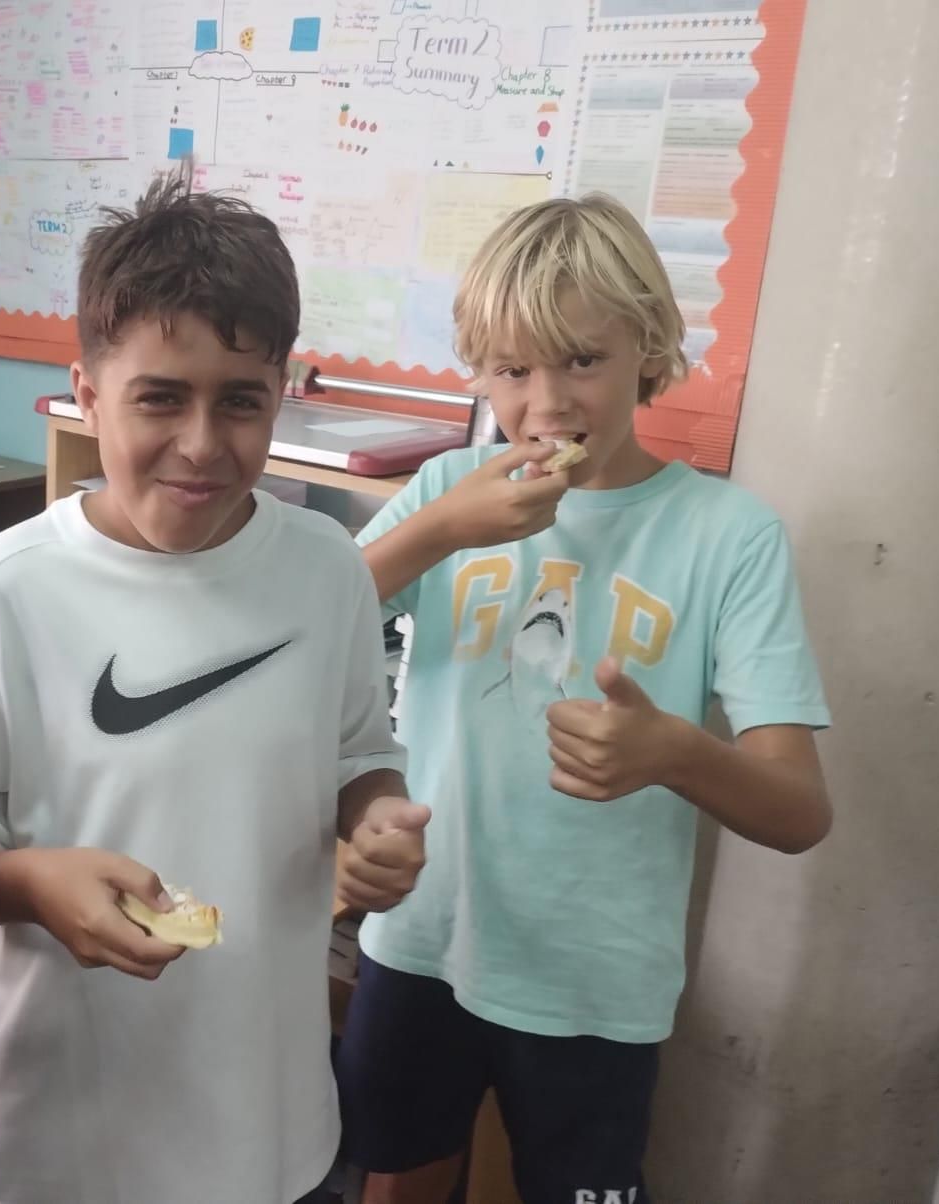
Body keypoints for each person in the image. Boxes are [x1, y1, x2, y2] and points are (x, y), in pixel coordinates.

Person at [0, 167, 430, 1204]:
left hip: (267, 1110)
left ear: (282, 394)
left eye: (240, 402)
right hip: (69, 1125)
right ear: (87, 396)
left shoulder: (324, 570)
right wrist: (34, 885)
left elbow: (361, 752)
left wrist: (377, 820)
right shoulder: (10, 588)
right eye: (159, 398)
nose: (201, 444)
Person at [333, 194, 834, 1204]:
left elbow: (799, 812)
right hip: (423, 938)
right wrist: (440, 529)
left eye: (582, 360)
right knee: (396, 1174)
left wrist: (675, 752)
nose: (547, 403)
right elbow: (305, 624)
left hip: (596, 981)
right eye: (511, 370)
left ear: (648, 349)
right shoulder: (447, 491)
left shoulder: (728, 536)